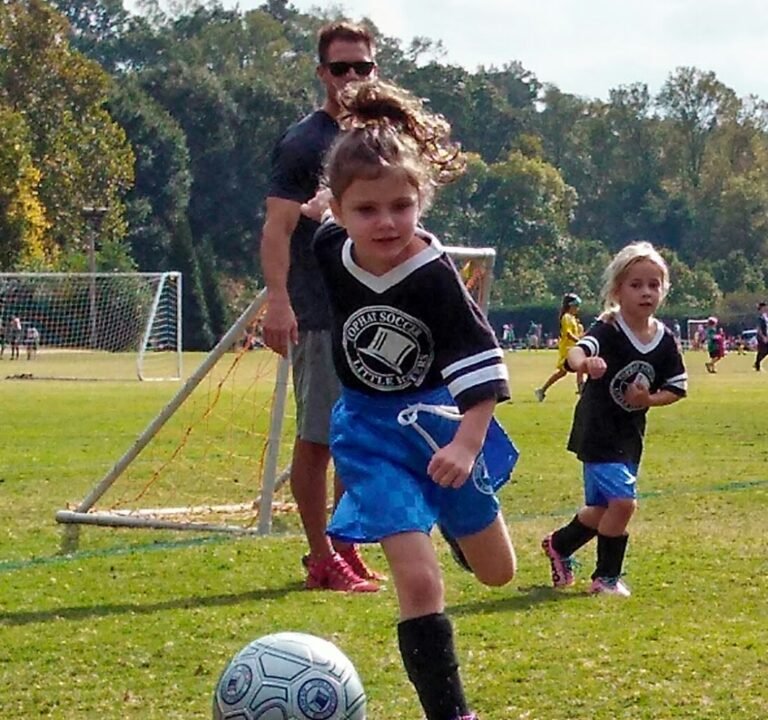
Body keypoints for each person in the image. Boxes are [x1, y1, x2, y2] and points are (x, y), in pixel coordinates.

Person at [313, 79, 518, 720]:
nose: (386, 222)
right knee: (418, 579)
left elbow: (482, 372)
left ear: (421, 204)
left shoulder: (434, 278)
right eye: (367, 210)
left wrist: (465, 442)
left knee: (497, 574)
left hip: (440, 428)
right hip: (368, 436)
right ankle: (450, 712)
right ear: (343, 213)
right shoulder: (328, 246)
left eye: (401, 206)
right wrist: (317, 205)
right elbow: (313, 214)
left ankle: (456, 528)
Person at [260, 21, 383, 592]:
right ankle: (320, 558)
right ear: (322, 74)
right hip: (320, 314)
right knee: (319, 438)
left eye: (364, 67)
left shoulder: (378, 138)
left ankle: (345, 547)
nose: (354, 78)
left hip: (372, 313)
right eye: (342, 68)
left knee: (359, 438)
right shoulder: (305, 142)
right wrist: (279, 302)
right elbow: (277, 228)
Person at [541, 241, 687, 597]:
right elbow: (577, 351)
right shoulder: (608, 329)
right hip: (598, 432)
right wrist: (585, 364)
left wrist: (647, 399)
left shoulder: (665, 340)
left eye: (654, 284)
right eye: (636, 285)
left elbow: (678, 387)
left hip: (629, 437)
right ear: (617, 290)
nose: (646, 292)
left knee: (601, 510)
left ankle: (559, 545)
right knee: (623, 503)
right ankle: (606, 578)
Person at [534, 293, 584, 401]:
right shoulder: (566, 317)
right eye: (576, 306)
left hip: (574, 349)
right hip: (568, 350)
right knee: (580, 366)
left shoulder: (574, 318)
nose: (577, 309)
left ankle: (542, 390)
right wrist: (579, 341)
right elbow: (568, 334)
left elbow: (577, 333)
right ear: (570, 306)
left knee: (564, 372)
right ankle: (581, 390)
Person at [754, 301, 768, 371]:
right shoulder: (760, 317)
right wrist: (763, 337)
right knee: (762, 351)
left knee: (763, 351)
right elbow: (758, 329)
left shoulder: (765, 316)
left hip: (766, 336)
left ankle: (757, 364)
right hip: (762, 337)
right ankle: (757, 365)